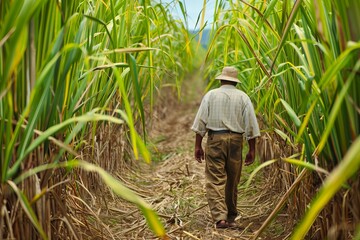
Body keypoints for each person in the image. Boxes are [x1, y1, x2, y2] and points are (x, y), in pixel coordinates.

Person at [191, 66, 260, 229]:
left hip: (216, 139)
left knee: (215, 179)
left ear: (221, 79)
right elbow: (251, 125)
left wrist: (197, 145)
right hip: (236, 141)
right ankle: (230, 216)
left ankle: (220, 218)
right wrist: (252, 149)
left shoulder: (211, 95)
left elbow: (200, 122)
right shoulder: (243, 97)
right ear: (235, 82)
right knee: (232, 179)